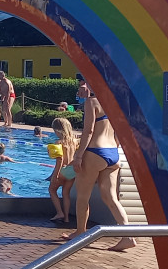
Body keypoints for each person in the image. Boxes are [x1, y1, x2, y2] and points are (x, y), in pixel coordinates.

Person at [66, 91, 135, 250]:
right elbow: (120, 130)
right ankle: (128, 236)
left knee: (83, 196)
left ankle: (80, 232)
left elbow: (88, 131)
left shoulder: (92, 102)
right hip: (113, 152)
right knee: (111, 198)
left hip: (95, 151)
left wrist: (78, 156)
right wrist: (114, 148)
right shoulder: (116, 102)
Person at [48, 117, 77, 224]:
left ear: (58, 130)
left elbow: (59, 160)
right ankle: (66, 218)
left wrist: (55, 175)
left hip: (63, 170)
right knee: (66, 193)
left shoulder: (59, 142)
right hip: (72, 170)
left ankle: (60, 213)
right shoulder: (74, 141)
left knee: (52, 190)